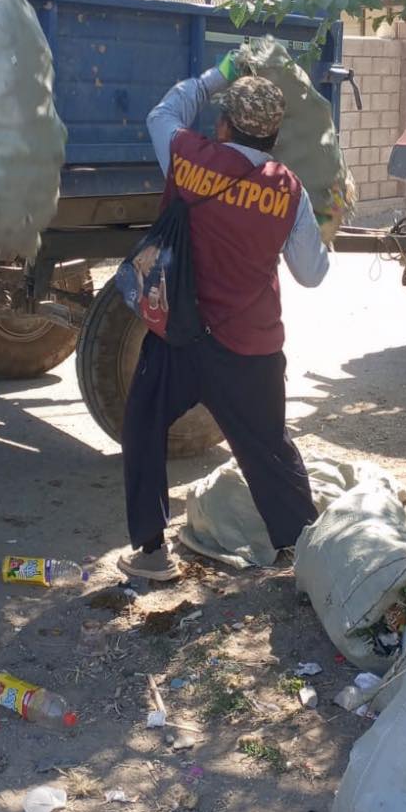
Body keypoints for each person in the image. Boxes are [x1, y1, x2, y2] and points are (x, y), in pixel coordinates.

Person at [118, 57, 330, 582]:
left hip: (179, 337)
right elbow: (310, 274)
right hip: (249, 347)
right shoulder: (289, 189)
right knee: (268, 451)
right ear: (275, 135)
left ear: (223, 124)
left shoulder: (188, 158)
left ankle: (150, 554)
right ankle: (311, 559)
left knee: (144, 428)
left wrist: (219, 73)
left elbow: (163, 112)